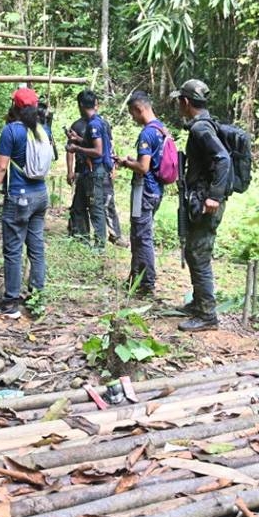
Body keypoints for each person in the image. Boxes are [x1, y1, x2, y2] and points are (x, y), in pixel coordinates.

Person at [0, 88, 49, 319]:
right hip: (40, 196)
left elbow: (0, 167)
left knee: (13, 250)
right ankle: (37, 298)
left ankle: (11, 303)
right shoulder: (43, 129)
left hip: (19, 198)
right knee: (36, 248)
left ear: (15, 107)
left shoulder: (11, 131)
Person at [172, 79, 230, 332]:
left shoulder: (201, 130)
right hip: (200, 198)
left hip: (208, 202)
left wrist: (214, 196)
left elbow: (223, 159)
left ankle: (207, 315)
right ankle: (198, 303)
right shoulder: (203, 124)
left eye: (179, 101)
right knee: (193, 251)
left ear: (185, 102)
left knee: (199, 254)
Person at [114, 91, 165, 296]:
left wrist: (126, 162)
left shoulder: (147, 133)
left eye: (132, 114)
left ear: (139, 109)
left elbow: (143, 167)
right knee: (139, 235)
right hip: (156, 191)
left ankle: (146, 285)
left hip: (145, 192)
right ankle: (135, 277)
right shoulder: (162, 129)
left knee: (142, 237)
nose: (133, 118)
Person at [65, 90, 113, 250]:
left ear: (80, 106)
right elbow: (92, 143)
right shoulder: (99, 121)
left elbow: (98, 151)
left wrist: (76, 148)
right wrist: (78, 139)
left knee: (95, 207)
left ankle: (99, 245)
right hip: (88, 172)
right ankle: (81, 238)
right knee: (78, 205)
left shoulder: (94, 124)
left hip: (95, 171)